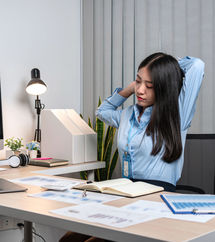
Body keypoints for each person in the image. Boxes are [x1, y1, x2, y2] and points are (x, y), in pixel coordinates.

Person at [59, 52, 204, 242]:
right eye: (138, 81)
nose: (141, 90)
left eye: (149, 86)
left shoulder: (177, 115)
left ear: (163, 87)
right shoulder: (127, 115)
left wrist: (165, 65)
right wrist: (131, 88)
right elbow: (102, 111)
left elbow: (197, 65)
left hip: (155, 201)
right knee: (69, 239)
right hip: (126, 194)